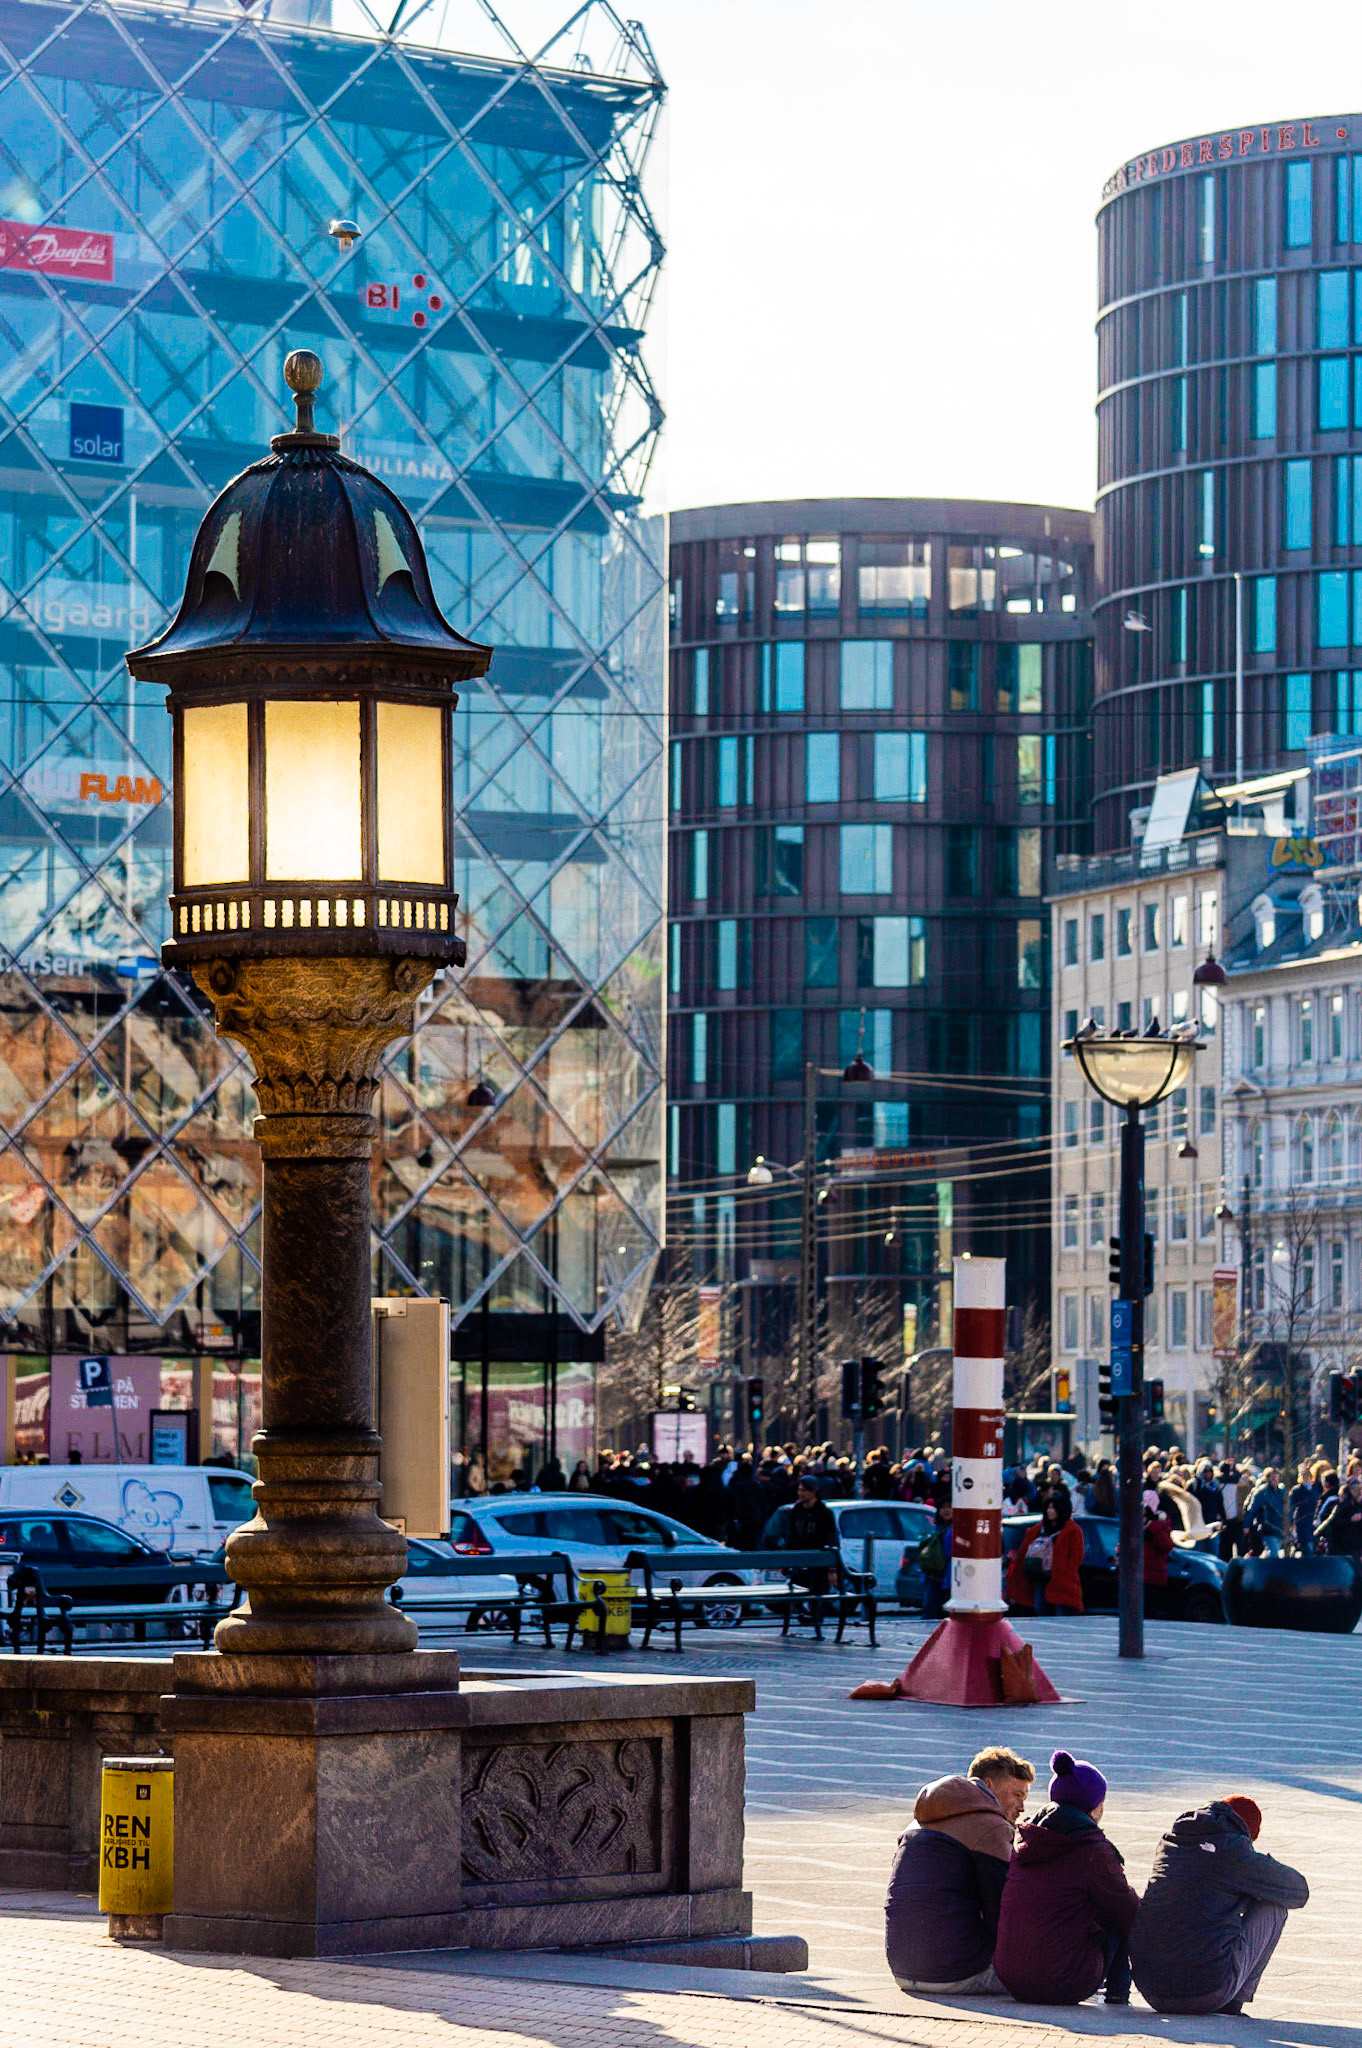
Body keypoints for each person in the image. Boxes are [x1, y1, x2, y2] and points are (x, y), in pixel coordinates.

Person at [1129, 1796, 1308, 2015]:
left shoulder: (1170, 1843)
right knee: (1274, 1906)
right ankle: (1233, 2005)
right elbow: (1299, 1891)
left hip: (1151, 1990)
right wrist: (1254, 1888)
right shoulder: (1234, 1851)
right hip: (1207, 1991)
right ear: (1248, 1833)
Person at [885, 1746, 1035, 1995]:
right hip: (956, 1973)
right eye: (1016, 1795)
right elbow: (1006, 1912)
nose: (1021, 1807)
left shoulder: (914, 1825)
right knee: (1051, 1970)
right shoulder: (990, 1828)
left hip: (902, 1969)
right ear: (990, 1784)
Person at [994, 1750, 1138, 2007]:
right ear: (1094, 1806)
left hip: (1011, 1979)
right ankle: (1118, 1994)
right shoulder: (1092, 1849)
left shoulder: (1026, 1839)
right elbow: (1128, 1912)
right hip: (1062, 1982)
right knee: (1119, 1910)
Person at [1005, 1489, 1084, 1616]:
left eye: (1053, 1508)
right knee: (1041, 1611)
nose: (1049, 1510)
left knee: (1061, 1614)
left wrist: (1063, 1569)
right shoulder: (1038, 1529)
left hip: (1061, 1579)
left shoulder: (1072, 1531)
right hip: (1040, 1576)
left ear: (1061, 1509)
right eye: (1048, 1507)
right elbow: (1024, 1552)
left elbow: (1077, 1556)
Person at [1142, 1491, 1174, 1618]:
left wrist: (1152, 1527)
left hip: (1153, 1578)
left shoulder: (1157, 1526)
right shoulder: (1139, 1524)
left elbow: (1166, 1546)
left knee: (1149, 1613)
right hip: (1141, 1576)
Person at [918, 1502, 952, 1620]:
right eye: (943, 1507)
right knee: (929, 1607)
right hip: (933, 1574)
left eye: (949, 1507)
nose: (946, 1510)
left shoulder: (958, 1528)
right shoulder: (934, 1529)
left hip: (950, 1574)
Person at [1316, 1472, 1362, 1553]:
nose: (1358, 1492)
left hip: (1355, 1545)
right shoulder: (1343, 1504)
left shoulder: (1358, 1505)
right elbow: (1333, 1522)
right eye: (1356, 1489)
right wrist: (1350, 1519)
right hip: (1340, 1544)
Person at [1244, 1468, 1284, 1556]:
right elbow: (1252, 1510)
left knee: (1271, 1552)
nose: (1275, 1481)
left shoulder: (1281, 1492)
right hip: (1267, 1527)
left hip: (1279, 1528)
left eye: (1277, 1478)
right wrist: (1246, 1525)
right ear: (1267, 1478)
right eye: (1273, 1478)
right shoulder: (1261, 1492)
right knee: (1274, 1553)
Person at [1285, 1461, 1319, 1554]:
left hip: (1314, 1523)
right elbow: (1291, 1507)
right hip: (1302, 1523)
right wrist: (1291, 1522)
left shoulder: (1315, 1488)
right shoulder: (1296, 1490)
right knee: (1307, 1548)